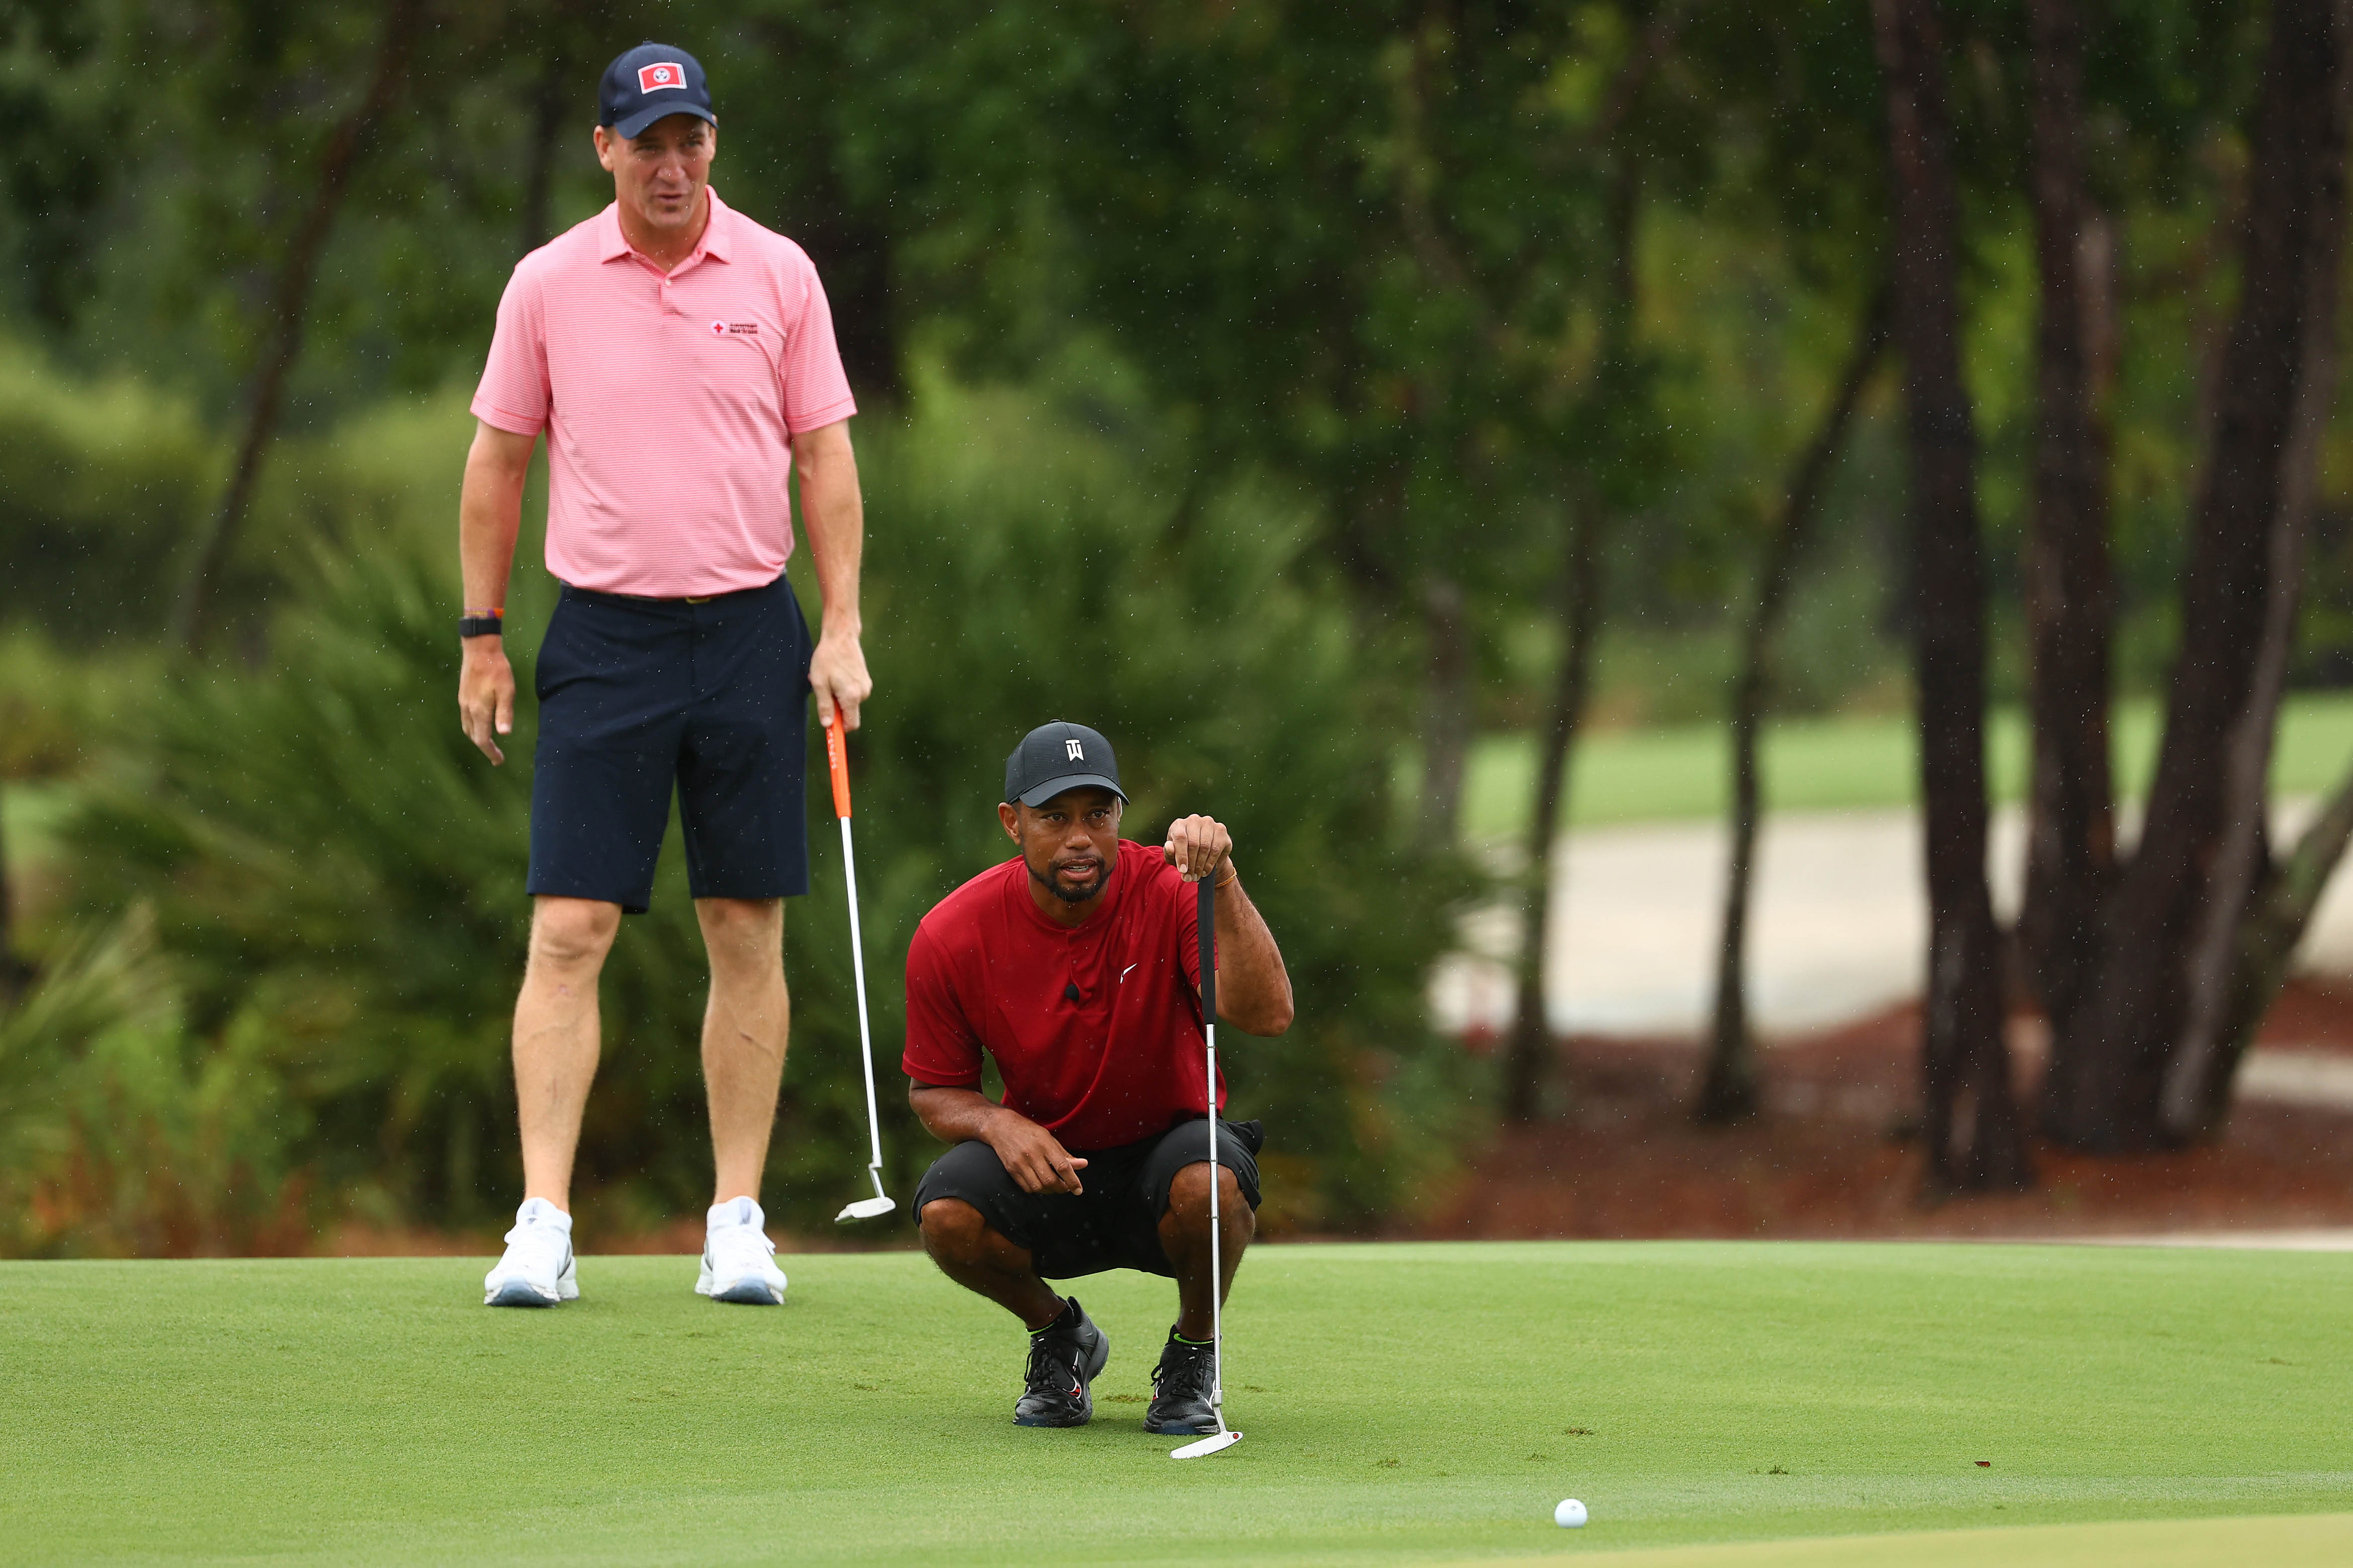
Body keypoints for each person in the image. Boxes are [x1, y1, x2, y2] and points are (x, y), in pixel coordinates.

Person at [456, 42, 870, 1308]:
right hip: (605, 636)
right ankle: (543, 1223)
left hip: (750, 629)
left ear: (711, 145)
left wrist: (841, 624)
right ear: (606, 152)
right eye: (649, 143)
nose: (673, 163)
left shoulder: (780, 272)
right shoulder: (547, 285)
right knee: (569, 929)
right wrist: (482, 634)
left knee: (744, 925)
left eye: (691, 138)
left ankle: (736, 1221)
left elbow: (827, 463)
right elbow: (496, 466)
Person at [903, 722, 1294, 1431]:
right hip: (1054, 1168)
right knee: (946, 1215)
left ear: (1119, 817)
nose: (1080, 837)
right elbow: (933, 1091)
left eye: (1098, 814)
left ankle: (1193, 1355)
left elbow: (1268, 1014)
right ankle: (1060, 1335)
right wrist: (998, 1123)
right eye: (1055, 817)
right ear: (1012, 823)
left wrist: (1224, 879)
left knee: (1211, 1180)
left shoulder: (1174, 889)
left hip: (1171, 1158)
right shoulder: (951, 932)